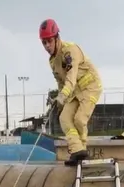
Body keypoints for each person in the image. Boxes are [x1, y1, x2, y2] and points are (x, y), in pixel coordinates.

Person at [39, 19, 103, 167]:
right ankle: (77, 151)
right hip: (74, 92)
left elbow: (71, 78)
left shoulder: (70, 51)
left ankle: (83, 150)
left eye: (49, 41)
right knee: (64, 118)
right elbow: (61, 82)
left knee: (80, 119)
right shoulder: (52, 61)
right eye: (44, 43)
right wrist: (60, 101)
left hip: (90, 87)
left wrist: (62, 96)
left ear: (56, 38)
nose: (47, 46)